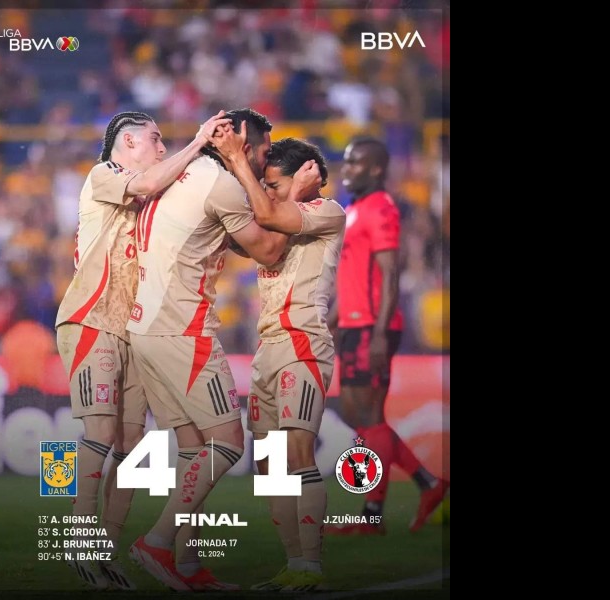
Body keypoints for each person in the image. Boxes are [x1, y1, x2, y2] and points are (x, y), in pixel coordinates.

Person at [125, 109, 318, 591]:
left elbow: (233, 238)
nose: (266, 160)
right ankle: (157, 542)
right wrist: (294, 196)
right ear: (241, 144)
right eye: (264, 150)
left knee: (195, 450)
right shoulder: (221, 184)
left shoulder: (186, 173)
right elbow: (268, 251)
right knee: (228, 442)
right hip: (182, 330)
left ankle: (187, 565)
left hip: (145, 328)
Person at [55, 110, 231, 589]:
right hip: (92, 318)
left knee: (133, 447)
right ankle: (80, 543)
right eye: (155, 138)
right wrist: (197, 143)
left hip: (134, 328)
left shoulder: (151, 192)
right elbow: (152, 180)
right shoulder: (104, 173)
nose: (161, 147)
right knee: (100, 430)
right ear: (129, 142)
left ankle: (107, 550)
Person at [213, 131, 345, 591]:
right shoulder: (275, 217)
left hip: (302, 343)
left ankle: (311, 567)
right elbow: (244, 232)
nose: (266, 192)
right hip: (267, 348)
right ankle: (293, 563)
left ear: (303, 177)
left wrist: (282, 189)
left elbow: (269, 215)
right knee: (269, 466)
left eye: (273, 183)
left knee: (297, 453)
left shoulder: (327, 211)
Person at [325, 137, 448, 536]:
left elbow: (390, 273)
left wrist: (379, 333)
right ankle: (430, 484)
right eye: (346, 162)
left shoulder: (381, 208)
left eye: (355, 163)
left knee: (369, 417)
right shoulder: (353, 210)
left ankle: (372, 515)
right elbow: (350, 277)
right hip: (353, 324)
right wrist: (331, 321)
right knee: (358, 416)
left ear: (376, 169)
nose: (347, 170)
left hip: (371, 326)